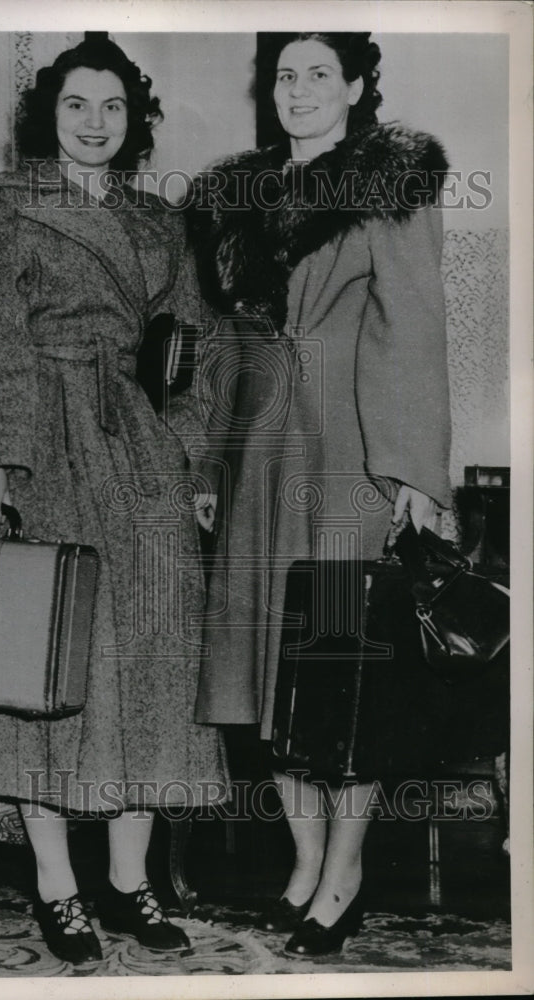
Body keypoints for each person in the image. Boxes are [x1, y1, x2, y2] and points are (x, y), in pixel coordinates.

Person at [0, 36, 227, 965]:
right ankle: (58, 888)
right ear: (48, 114)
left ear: (134, 118)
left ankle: (132, 881)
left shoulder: (159, 219)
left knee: (151, 657)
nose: (96, 123)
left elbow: (187, 351)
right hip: (45, 445)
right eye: (77, 106)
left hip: (139, 449)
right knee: (49, 665)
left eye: (113, 107)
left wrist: (191, 471)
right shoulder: (0, 205)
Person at [190, 32, 451, 957]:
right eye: (284, 75)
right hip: (258, 461)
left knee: (335, 681)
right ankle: (303, 860)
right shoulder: (237, 195)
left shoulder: (390, 184)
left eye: (317, 76)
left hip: (346, 464)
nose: (297, 91)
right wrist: (211, 463)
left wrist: (413, 477)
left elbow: (412, 333)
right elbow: (223, 347)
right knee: (266, 674)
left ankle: (344, 878)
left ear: (355, 87)